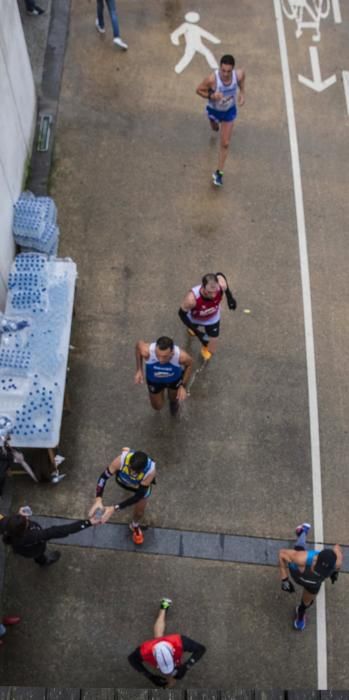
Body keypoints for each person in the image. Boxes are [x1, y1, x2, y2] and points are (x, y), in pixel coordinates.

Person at [279, 522, 343, 631]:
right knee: (299, 549)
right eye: (317, 567)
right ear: (316, 558)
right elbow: (282, 554)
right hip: (297, 574)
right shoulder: (301, 558)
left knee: (306, 603)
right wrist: (284, 579)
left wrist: (336, 572)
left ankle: (300, 614)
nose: (318, 572)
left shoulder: (337, 562)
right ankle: (302, 532)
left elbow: (337, 548)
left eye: (323, 571)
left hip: (313, 585)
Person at [128, 598, 206, 687]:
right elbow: (131, 659)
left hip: (170, 643)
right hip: (158, 645)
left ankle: (164, 606)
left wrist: (186, 666)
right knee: (158, 636)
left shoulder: (178, 641)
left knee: (158, 636)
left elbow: (201, 649)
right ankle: (164, 606)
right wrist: (150, 676)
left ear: (172, 652)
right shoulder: (146, 649)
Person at [196, 54, 245, 187]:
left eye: (229, 71)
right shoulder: (212, 79)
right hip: (214, 110)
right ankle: (213, 123)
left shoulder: (238, 75)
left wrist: (242, 93)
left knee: (225, 143)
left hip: (229, 112)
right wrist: (212, 95)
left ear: (233, 69)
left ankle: (219, 173)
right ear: (220, 68)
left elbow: (242, 78)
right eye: (223, 70)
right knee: (214, 128)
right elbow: (199, 90)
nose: (225, 74)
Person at [89, 447, 156, 545]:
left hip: (139, 488)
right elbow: (103, 478)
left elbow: (138, 496)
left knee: (139, 513)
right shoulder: (120, 460)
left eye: (136, 472)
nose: (132, 473)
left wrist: (114, 508)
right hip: (123, 481)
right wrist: (98, 499)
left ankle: (134, 525)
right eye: (130, 469)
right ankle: (128, 450)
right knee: (124, 453)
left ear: (142, 469)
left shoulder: (151, 471)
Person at [0, 510, 99, 566]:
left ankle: (18, 553)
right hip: (33, 549)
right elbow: (62, 530)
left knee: (22, 551)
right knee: (38, 554)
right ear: (24, 528)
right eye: (25, 519)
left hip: (19, 548)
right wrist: (88, 523)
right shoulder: (34, 536)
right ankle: (44, 562)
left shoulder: (5, 525)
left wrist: (17, 517)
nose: (26, 517)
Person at [178, 273, 236, 361]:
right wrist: (198, 333)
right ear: (203, 287)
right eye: (209, 292)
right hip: (195, 319)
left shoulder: (221, 286)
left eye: (215, 291)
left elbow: (220, 275)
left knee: (211, 347)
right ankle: (194, 329)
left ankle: (205, 347)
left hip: (212, 318)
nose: (213, 295)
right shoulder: (191, 299)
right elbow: (181, 314)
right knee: (195, 331)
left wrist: (230, 297)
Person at [135, 336, 193, 415]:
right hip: (154, 381)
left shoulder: (181, 356)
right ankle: (162, 394)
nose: (160, 360)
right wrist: (139, 370)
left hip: (174, 380)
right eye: (157, 355)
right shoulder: (146, 350)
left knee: (173, 399)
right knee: (157, 407)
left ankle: (173, 403)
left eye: (165, 356)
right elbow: (138, 345)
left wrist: (183, 385)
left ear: (172, 353)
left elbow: (190, 365)